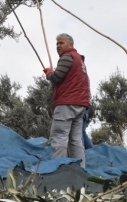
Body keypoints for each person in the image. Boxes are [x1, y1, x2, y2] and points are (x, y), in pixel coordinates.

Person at [43, 33, 90, 168]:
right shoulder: (79, 60)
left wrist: (48, 73)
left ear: (70, 45)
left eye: (61, 43)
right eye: (57, 43)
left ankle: (58, 170)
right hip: (81, 104)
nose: (58, 46)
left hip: (67, 103)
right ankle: (80, 170)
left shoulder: (67, 57)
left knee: (59, 137)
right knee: (76, 140)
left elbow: (57, 77)